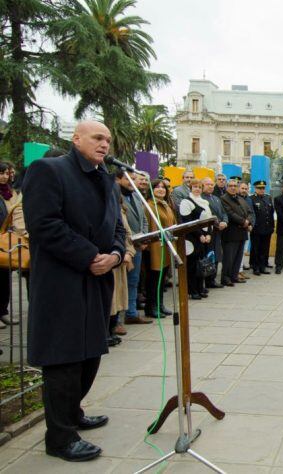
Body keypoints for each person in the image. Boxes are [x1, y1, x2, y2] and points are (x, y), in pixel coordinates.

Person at [23, 120, 125, 462]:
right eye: (98, 137)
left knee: (90, 352)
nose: (104, 144)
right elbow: (45, 224)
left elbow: (117, 228)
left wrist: (114, 254)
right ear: (76, 138)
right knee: (64, 357)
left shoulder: (106, 181)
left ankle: (73, 413)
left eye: (108, 139)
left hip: (98, 280)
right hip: (63, 282)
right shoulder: (48, 171)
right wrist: (88, 257)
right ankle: (60, 437)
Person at [114, 169, 151, 324]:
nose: (133, 182)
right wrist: (133, 239)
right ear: (118, 180)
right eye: (129, 179)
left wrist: (144, 237)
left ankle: (131, 312)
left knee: (133, 281)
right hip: (122, 245)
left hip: (138, 246)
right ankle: (117, 321)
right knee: (120, 284)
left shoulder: (137, 196)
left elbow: (143, 218)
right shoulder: (115, 197)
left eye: (134, 179)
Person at [144, 180, 176, 317]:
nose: (161, 189)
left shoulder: (167, 205)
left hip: (165, 246)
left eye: (163, 187)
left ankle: (160, 304)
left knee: (162, 278)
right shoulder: (149, 205)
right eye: (157, 187)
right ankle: (151, 307)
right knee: (153, 279)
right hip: (154, 247)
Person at [0, 161, 26, 327]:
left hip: (7, 240)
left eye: (7, 173)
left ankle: (2, 311)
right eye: (1, 173)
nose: (5, 177)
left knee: (4, 280)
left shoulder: (12, 193)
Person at [178, 179, 213, 299]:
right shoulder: (186, 202)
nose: (197, 189)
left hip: (204, 237)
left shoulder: (204, 202)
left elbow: (208, 220)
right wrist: (200, 235)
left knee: (201, 264)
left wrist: (209, 234)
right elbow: (188, 222)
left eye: (199, 187)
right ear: (190, 188)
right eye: (195, 187)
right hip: (192, 238)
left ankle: (200, 287)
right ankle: (192, 290)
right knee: (192, 266)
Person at [108, 198, 134, 347]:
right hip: (108, 257)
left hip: (121, 256)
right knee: (110, 297)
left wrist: (128, 251)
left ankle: (111, 329)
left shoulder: (120, 208)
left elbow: (125, 231)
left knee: (118, 295)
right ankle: (105, 332)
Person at [220, 179, 251, 285]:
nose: (233, 187)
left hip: (242, 232)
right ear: (227, 187)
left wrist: (249, 222)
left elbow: (249, 211)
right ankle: (226, 278)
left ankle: (234, 276)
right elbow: (230, 213)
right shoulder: (223, 199)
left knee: (238, 256)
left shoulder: (240, 199)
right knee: (229, 257)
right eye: (230, 185)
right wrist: (244, 222)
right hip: (231, 233)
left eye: (235, 186)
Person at [201, 177, 228, 288]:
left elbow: (223, 212)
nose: (210, 186)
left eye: (212, 184)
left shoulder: (216, 198)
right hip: (208, 232)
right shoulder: (201, 199)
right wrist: (217, 224)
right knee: (207, 256)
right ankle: (205, 280)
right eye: (207, 184)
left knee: (216, 256)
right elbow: (207, 215)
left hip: (218, 232)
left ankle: (212, 280)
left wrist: (225, 222)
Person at [249, 180, 274, 275]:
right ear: (255, 188)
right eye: (259, 188)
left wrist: (272, 226)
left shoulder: (268, 198)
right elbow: (251, 214)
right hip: (257, 228)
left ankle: (262, 267)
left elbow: (271, 213)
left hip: (267, 228)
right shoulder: (251, 199)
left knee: (265, 249)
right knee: (256, 249)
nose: (261, 190)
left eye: (263, 188)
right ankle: (255, 267)